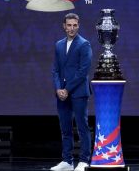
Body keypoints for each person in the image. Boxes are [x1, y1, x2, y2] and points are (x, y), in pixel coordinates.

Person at [50, 13, 93, 171]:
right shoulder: (59, 45)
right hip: (61, 93)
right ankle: (67, 161)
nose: (72, 28)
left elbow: (83, 71)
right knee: (65, 127)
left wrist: (67, 89)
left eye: (75, 25)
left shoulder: (84, 44)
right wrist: (58, 89)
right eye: (69, 25)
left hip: (78, 93)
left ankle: (84, 160)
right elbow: (55, 70)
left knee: (82, 126)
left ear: (78, 26)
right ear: (64, 26)